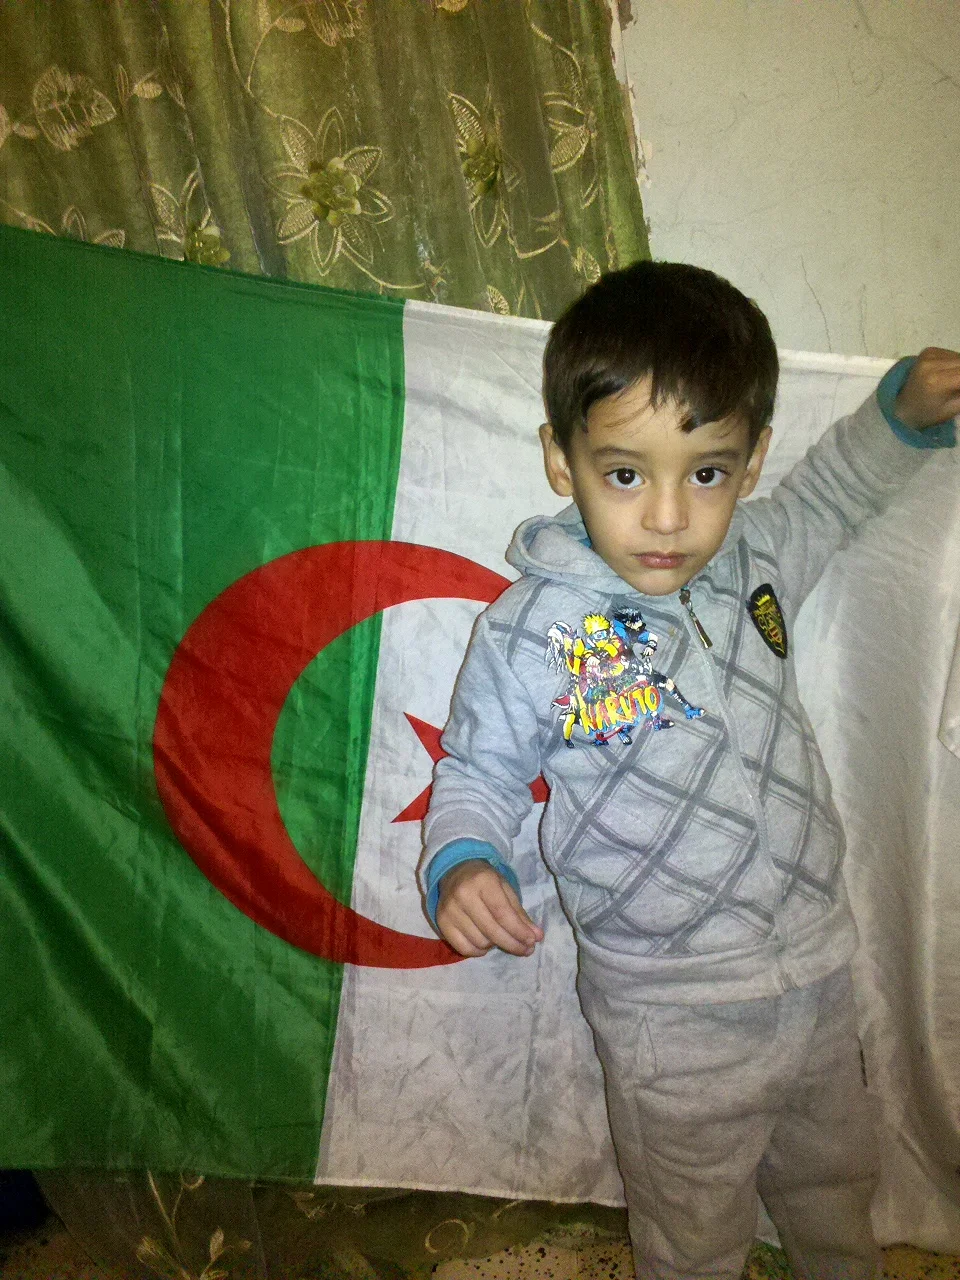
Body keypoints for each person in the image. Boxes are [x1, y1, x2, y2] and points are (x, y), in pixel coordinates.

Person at [419, 260, 960, 1280]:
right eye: (626, 474)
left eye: (705, 473)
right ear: (561, 460)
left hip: (815, 970)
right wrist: (463, 857)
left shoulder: (756, 558)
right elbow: (478, 767)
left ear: (750, 465)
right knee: (693, 1236)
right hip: (668, 1014)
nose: (668, 518)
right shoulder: (537, 628)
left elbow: (836, 491)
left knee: (835, 1187)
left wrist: (898, 415)